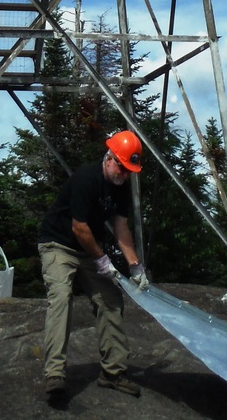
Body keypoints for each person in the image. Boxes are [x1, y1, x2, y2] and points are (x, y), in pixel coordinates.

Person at [37, 130, 147, 406]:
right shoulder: (88, 179)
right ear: (110, 158)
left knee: (110, 299)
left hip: (87, 249)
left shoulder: (120, 186)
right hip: (58, 244)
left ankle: (113, 373)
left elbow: (121, 228)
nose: (124, 174)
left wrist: (135, 267)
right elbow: (80, 227)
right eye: (121, 167)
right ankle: (55, 376)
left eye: (129, 170)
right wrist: (102, 260)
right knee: (61, 299)